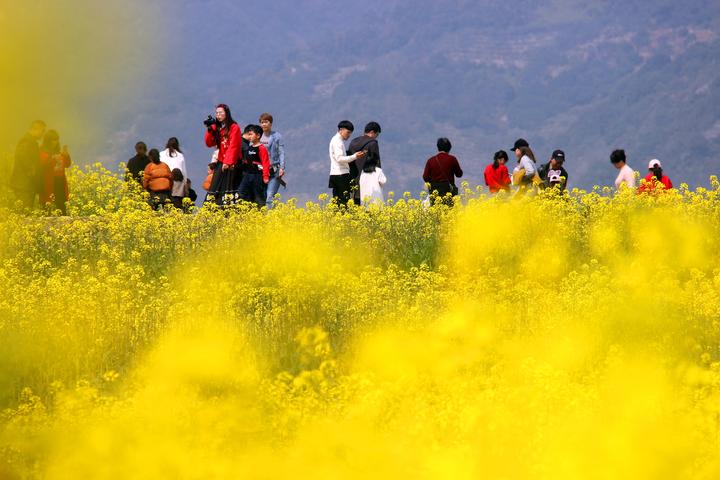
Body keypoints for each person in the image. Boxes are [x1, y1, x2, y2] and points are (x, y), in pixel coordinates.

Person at [204, 104, 242, 205]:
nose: (218, 115)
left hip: (232, 162)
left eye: (221, 113)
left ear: (227, 113)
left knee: (228, 187)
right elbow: (209, 143)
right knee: (215, 185)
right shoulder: (218, 127)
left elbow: (234, 146)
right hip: (221, 160)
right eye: (217, 113)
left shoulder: (234, 127)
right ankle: (213, 210)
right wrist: (210, 130)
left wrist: (228, 162)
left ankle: (228, 211)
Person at [10, 120, 46, 209]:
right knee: (24, 212)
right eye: (42, 131)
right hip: (24, 185)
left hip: (27, 184)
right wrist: (31, 170)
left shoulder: (30, 141)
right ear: (36, 129)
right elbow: (22, 156)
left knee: (25, 211)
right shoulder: (27, 141)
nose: (43, 134)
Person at [328, 120, 365, 205]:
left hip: (335, 174)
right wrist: (355, 156)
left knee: (337, 202)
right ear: (341, 130)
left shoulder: (336, 140)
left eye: (350, 133)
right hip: (340, 175)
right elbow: (339, 158)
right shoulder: (337, 141)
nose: (349, 135)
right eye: (347, 132)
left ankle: (337, 217)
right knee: (344, 202)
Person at [38, 130, 72, 215]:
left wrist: (66, 155)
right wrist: (52, 158)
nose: (56, 142)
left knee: (61, 204)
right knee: (47, 204)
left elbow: (67, 164)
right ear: (48, 141)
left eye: (57, 139)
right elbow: (42, 165)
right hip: (49, 182)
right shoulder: (42, 152)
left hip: (60, 182)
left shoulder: (59, 153)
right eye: (53, 139)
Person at [348, 122, 382, 205]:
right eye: (377, 134)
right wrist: (379, 178)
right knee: (368, 205)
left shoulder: (353, 142)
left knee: (356, 205)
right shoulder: (372, 143)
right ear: (372, 132)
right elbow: (376, 162)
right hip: (368, 179)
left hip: (353, 178)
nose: (376, 137)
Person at [422, 137, 463, 205]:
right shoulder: (452, 159)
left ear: (438, 148)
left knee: (435, 211)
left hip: (434, 191)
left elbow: (425, 177)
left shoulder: (431, 160)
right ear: (449, 148)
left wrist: (433, 182)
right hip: (448, 191)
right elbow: (459, 174)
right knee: (450, 211)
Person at [238, 124, 270, 207]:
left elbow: (266, 163)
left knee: (258, 196)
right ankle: (247, 211)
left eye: (251, 134)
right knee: (241, 193)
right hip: (248, 175)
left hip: (257, 176)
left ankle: (261, 213)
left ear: (258, 135)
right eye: (249, 134)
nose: (249, 136)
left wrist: (265, 176)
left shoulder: (261, 148)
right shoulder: (250, 147)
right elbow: (246, 161)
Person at [259, 113, 286, 208]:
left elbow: (281, 152)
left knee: (270, 196)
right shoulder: (257, 136)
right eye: (262, 122)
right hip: (260, 171)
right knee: (261, 197)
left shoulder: (276, 136)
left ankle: (270, 219)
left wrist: (282, 167)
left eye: (266, 122)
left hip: (274, 170)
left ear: (271, 123)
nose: (264, 124)